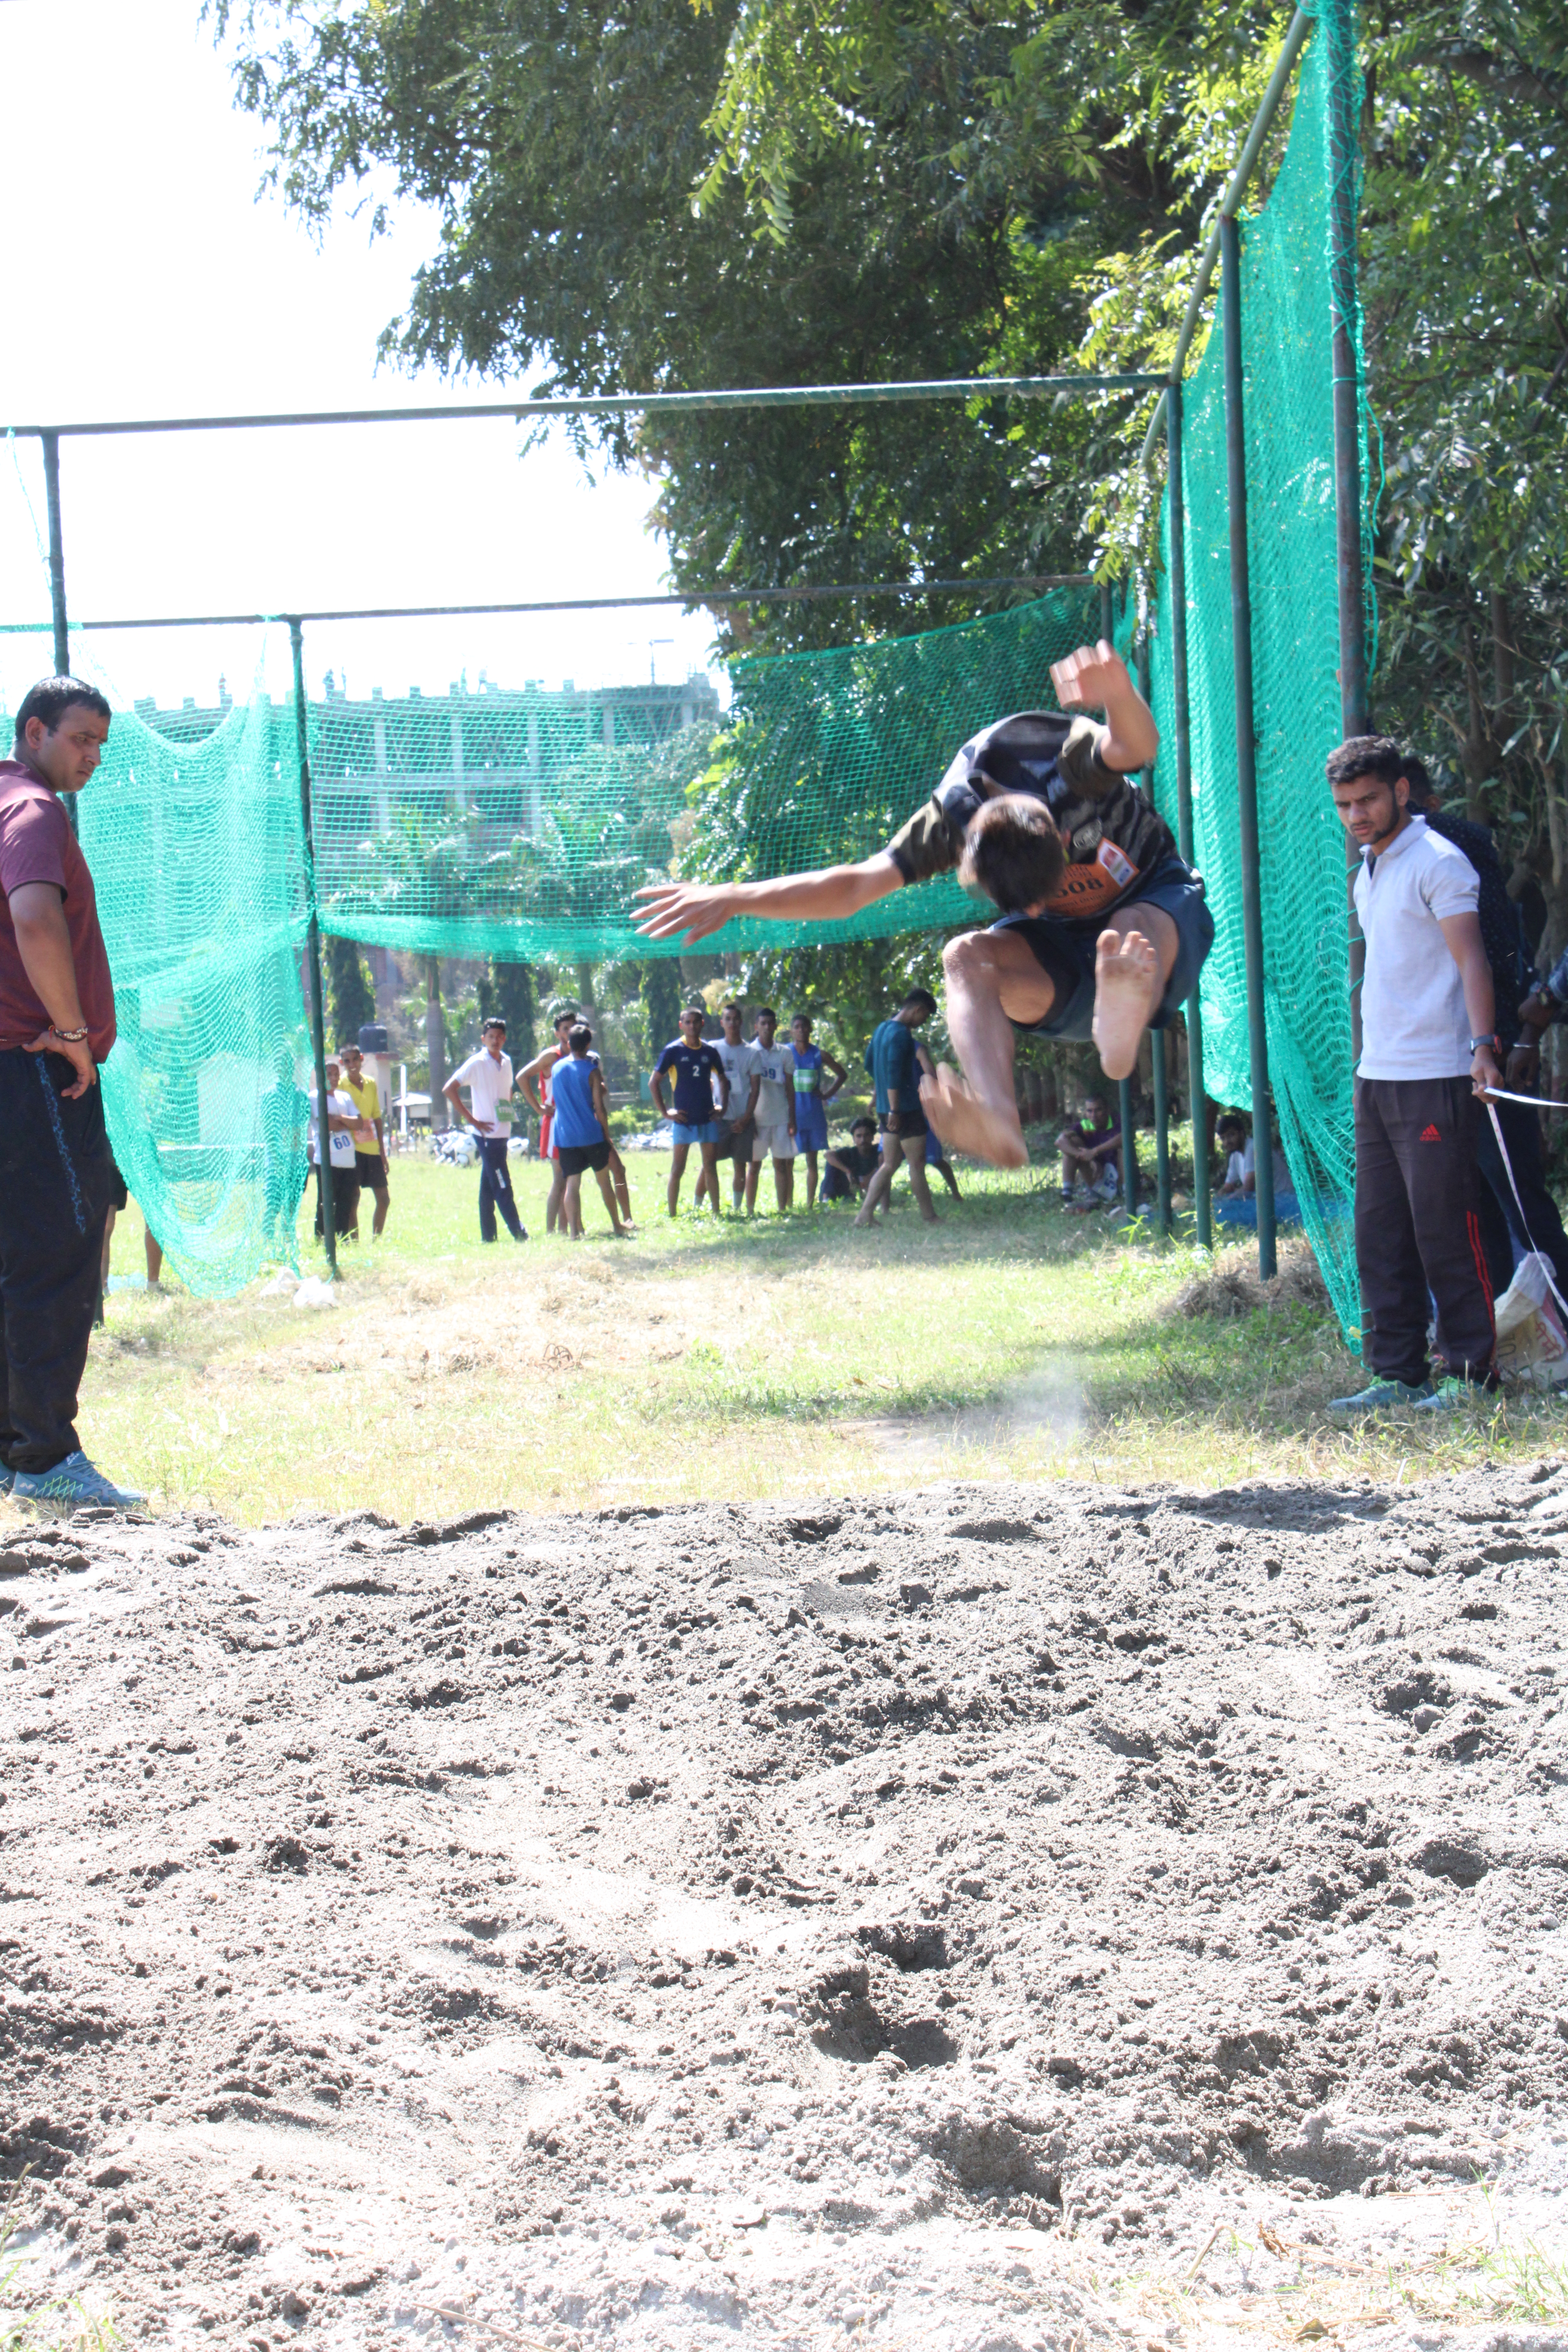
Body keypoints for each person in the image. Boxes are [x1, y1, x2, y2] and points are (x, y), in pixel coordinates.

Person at [635, 639, 1211, 1171]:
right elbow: (854, 888)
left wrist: (1116, 693)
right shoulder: (951, 819)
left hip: (1152, 905)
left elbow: (1135, 744)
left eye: (1038, 897)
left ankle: (1123, 1018)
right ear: (970, 865)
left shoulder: (1063, 762)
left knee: (1130, 925)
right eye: (1023, 906)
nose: (1032, 911)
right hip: (1067, 956)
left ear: (1062, 839)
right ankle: (997, 1115)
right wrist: (735, 897)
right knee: (965, 956)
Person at [0, 676, 145, 1510]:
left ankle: (18, 1450)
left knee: (17, 1259)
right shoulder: (34, 811)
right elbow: (33, 917)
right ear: (34, 730)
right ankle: (47, 1458)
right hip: (36, 1068)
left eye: (101, 744)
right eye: (80, 739)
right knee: (60, 1254)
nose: (91, 757)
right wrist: (73, 1031)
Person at [1325, 737, 1500, 1414]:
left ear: (1402, 790)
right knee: (1380, 1233)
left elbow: (1473, 960)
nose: (1357, 814)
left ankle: (1470, 1375)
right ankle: (1399, 1373)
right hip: (1378, 1078)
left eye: (1368, 799)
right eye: (1345, 805)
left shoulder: (1439, 862)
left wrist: (1483, 1047)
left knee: (1445, 1231)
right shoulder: (1368, 869)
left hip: (1437, 1074)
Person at [1399, 762, 1568, 1305]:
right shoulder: (1380, 861)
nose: (1359, 815)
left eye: (1372, 800)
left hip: (1481, 1052)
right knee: (1477, 1201)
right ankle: (1497, 1333)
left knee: (1518, 1198)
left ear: (1412, 797)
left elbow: (1494, 953)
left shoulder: (1448, 848)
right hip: (1433, 1058)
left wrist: (1507, 1036)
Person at [856, 990, 940, 1229]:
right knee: (917, 1163)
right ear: (918, 1010)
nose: (921, 1023)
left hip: (886, 1108)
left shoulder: (881, 1028)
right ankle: (930, 1217)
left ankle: (864, 1215)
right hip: (903, 1110)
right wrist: (895, 1108)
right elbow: (893, 1073)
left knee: (889, 1164)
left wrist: (883, 1096)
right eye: (924, 1018)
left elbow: (868, 1064)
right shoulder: (902, 1034)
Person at [444, 1017, 528, 1243]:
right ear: (483, 1039)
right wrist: (472, 1120)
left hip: (502, 1131)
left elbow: (507, 1091)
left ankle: (488, 1237)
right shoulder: (477, 1063)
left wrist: (507, 1111)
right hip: (486, 1134)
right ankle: (519, 1233)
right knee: (502, 1184)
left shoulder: (507, 1062)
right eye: (491, 1037)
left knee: (488, 1187)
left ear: (505, 1039)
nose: (495, 1041)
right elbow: (449, 1089)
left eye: (500, 1037)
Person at [550, 1022, 630, 1239]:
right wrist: (606, 1133)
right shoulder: (591, 1071)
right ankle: (617, 1224)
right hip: (590, 1134)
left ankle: (574, 1233)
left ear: (568, 1043)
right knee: (604, 1181)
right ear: (588, 1044)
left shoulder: (556, 1068)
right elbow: (599, 1107)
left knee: (572, 1184)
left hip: (565, 1136)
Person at [650, 1004, 728, 1217]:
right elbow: (654, 1082)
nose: (692, 1026)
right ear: (681, 1025)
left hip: (707, 1118)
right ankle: (673, 1214)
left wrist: (722, 1107)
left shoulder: (710, 1052)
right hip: (683, 1120)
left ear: (702, 1024)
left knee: (710, 1167)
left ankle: (716, 1212)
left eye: (696, 1022)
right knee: (678, 1169)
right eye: (688, 1022)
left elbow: (723, 1079)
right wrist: (666, 1113)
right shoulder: (673, 1051)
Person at [519, 1007, 576, 1234]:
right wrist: (539, 1108)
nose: (570, 1032)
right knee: (560, 1179)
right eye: (565, 1029)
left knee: (570, 1178)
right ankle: (551, 1231)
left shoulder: (579, 1054)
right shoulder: (552, 1056)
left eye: (573, 1027)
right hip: (555, 1123)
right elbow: (522, 1077)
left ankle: (565, 1228)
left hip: (573, 1122)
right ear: (557, 1033)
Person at [704, 998, 760, 1215]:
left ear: (742, 1022)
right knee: (709, 1163)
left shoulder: (751, 1053)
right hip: (718, 1117)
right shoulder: (713, 1048)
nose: (733, 1023)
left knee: (740, 1166)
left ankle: (737, 1209)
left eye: (736, 1019)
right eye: (728, 1019)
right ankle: (701, 1205)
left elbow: (755, 1089)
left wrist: (746, 1118)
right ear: (722, 1022)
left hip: (742, 1118)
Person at [785, 1012, 847, 1209]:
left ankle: (810, 1204)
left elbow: (842, 1074)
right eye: (797, 1027)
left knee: (812, 1162)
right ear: (791, 1031)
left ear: (811, 1030)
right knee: (789, 1162)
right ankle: (787, 1203)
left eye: (805, 1027)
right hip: (791, 1114)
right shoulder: (785, 1053)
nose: (801, 1030)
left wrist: (827, 1095)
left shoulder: (819, 1054)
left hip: (813, 1114)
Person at [746, 1007, 797, 1215]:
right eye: (763, 1024)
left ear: (776, 1026)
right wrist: (748, 1118)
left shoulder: (785, 1053)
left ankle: (782, 1209)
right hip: (757, 1119)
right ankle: (750, 1210)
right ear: (756, 1027)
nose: (767, 1027)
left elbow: (790, 1087)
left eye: (771, 1023)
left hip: (781, 1117)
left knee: (781, 1165)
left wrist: (792, 1118)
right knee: (754, 1166)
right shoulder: (749, 1052)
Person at [309, 1056, 367, 1241]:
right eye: (329, 1075)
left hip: (348, 1159)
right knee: (325, 1202)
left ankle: (342, 1239)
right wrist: (344, 1121)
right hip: (327, 1159)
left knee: (345, 1203)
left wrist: (340, 1118)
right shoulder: (315, 1097)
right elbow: (328, 1125)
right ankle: (321, 1239)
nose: (333, 1078)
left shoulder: (345, 1097)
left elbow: (359, 1123)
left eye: (336, 1074)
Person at [338, 1041, 391, 1238]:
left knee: (384, 1200)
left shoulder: (370, 1083)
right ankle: (355, 1242)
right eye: (347, 1061)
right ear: (342, 1063)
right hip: (351, 1149)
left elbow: (377, 1117)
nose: (352, 1065)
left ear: (361, 1060)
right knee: (353, 1200)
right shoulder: (340, 1085)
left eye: (355, 1060)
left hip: (372, 1149)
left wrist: (382, 1153)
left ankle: (377, 1240)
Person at [101, 1162, 164, 1292]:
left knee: (153, 1214)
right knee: (107, 1220)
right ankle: (153, 1284)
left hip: (118, 1149)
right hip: (136, 1151)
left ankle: (102, 1288)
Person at [1059, 1091, 1121, 1204]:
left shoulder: (1118, 1121)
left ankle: (1126, 1191)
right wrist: (1087, 1157)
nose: (1094, 1115)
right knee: (1073, 1142)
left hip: (1119, 1175)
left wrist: (1094, 1152)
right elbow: (1060, 1142)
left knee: (1124, 1147)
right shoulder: (1085, 1125)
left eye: (1098, 1110)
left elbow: (1125, 1138)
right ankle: (1067, 1193)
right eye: (1090, 1111)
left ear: (1108, 1110)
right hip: (1097, 1175)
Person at [821, 1118, 882, 1205]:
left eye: (867, 1135)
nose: (863, 1140)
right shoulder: (849, 1153)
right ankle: (827, 1199)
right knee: (832, 1164)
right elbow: (828, 1155)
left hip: (868, 1191)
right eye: (859, 1136)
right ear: (854, 1138)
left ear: (873, 1137)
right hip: (845, 1191)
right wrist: (848, 1171)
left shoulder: (878, 1152)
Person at [1216, 1114, 1254, 1198]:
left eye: (1231, 1135)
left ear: (1242, 1133)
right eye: (1223, 1138)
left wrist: (1229, 1200)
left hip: (1283, 1199)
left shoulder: (1252, 1148)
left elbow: (1249, 1188)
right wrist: (1217, 1199)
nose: (1227, 1142)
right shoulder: (1235, 1156)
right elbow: (1228, 1187)